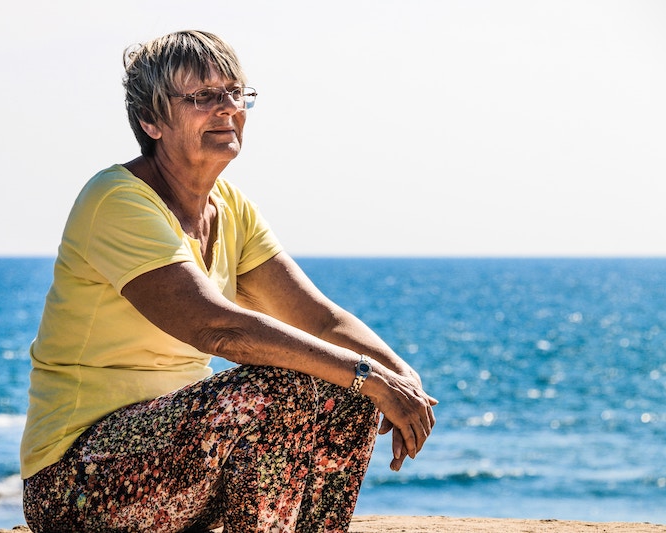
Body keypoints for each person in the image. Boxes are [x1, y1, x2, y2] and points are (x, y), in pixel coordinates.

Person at [21, 30, 437, 533]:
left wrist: (399, 380)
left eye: (234, 93)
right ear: (150, 121)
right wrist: (369, 375)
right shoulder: (117, 200)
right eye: (202, 97)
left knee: (348, 389)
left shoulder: (231, 208)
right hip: (75, 482)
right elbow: (218, 329)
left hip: (176, 464)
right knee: (292, 380)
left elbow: (321, 320)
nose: (226, 109)